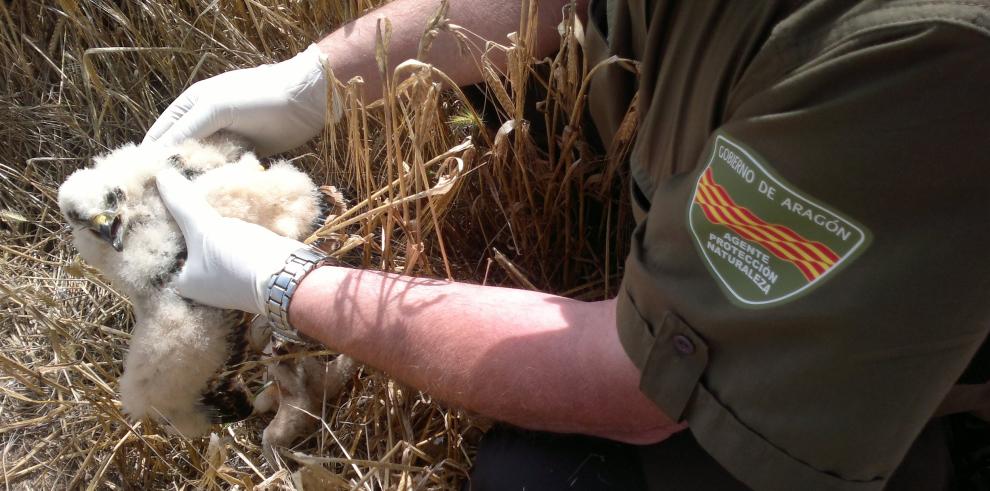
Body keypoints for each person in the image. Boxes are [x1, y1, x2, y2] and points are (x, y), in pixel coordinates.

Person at [146, 0, 990, 489]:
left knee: (540, 480)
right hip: (795, 123)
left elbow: (636, 389)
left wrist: (289, 282)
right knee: (518, 73)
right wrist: (307, 82)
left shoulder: (921, 58)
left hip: (882, 260)